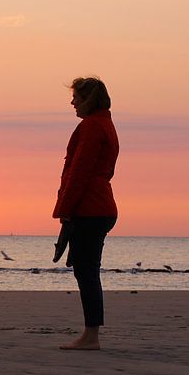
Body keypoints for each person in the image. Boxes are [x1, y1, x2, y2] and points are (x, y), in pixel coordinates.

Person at [53, 76, 119, 350]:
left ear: (88, 100)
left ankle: (91, 336)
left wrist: (65, 210)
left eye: (76, 98)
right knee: (86, 269)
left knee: (86, 270)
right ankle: (91, 334)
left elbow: (79, 172)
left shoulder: (92, 127)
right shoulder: (105, 124)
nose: (72, 102)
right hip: (98, 205)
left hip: (90, 207)